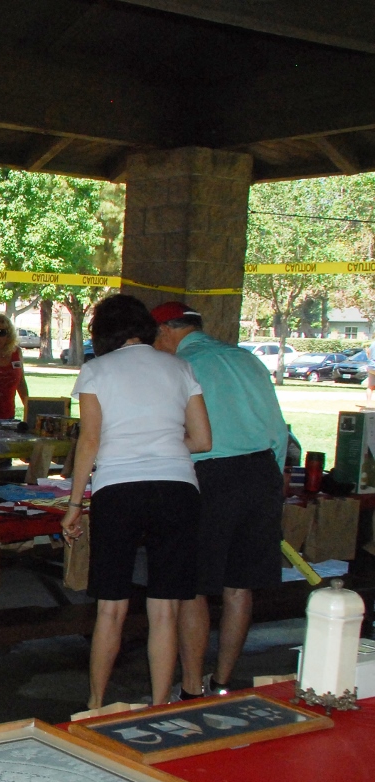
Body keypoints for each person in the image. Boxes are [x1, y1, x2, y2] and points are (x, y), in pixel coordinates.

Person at [60, 294, 211, 709]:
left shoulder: (96, 370)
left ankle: (95, 705)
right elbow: (202, 440)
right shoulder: (179, 367)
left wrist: (74, 506)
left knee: (111, 608)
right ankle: (159, 705)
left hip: (118, 489)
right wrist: (162, 446)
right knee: (165, 611)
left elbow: (90, 441)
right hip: (177, 488)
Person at [151, 301, 288, 699]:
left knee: (194, 586)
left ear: (165, 331)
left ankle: (192, 688)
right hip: (262, 472)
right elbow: (279, 429)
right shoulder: (247, 359)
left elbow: (172, 434)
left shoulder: (180, 367)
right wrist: (274, 484)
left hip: (210, 476)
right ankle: (223, 682)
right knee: (239, 586)